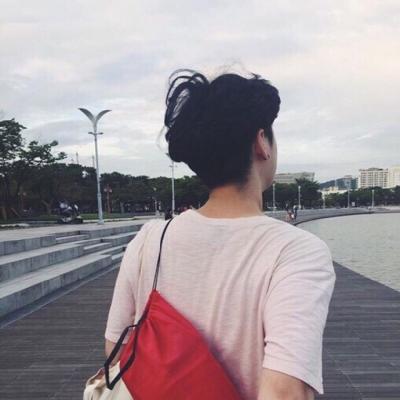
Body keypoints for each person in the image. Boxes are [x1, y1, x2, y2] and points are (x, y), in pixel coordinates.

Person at [104, 70, 335, 399]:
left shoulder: (150, 239)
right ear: (261, 142)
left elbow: (117, 348)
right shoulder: (295, 250)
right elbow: (285, 391)